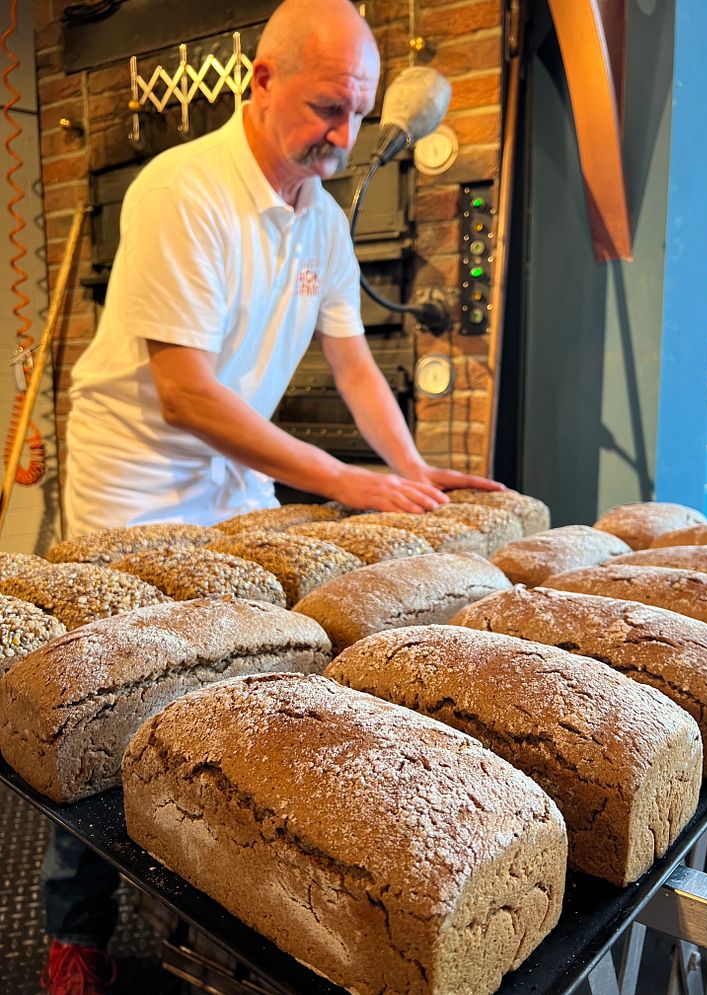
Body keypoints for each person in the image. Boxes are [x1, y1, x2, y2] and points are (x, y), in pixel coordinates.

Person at [41, 0, 503, 990]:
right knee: (107, 702)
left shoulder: (324, 222)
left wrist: (411, 473)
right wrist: (340, 477)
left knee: (231, 683)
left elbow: (357, 369)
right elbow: (184, 388)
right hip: (134, 481)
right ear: (259, 79)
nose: (341, 134)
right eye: (326, 106)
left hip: (231, 479)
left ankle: (202, 882)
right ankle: (70, 924)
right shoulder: (183, 189)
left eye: (357, 113)